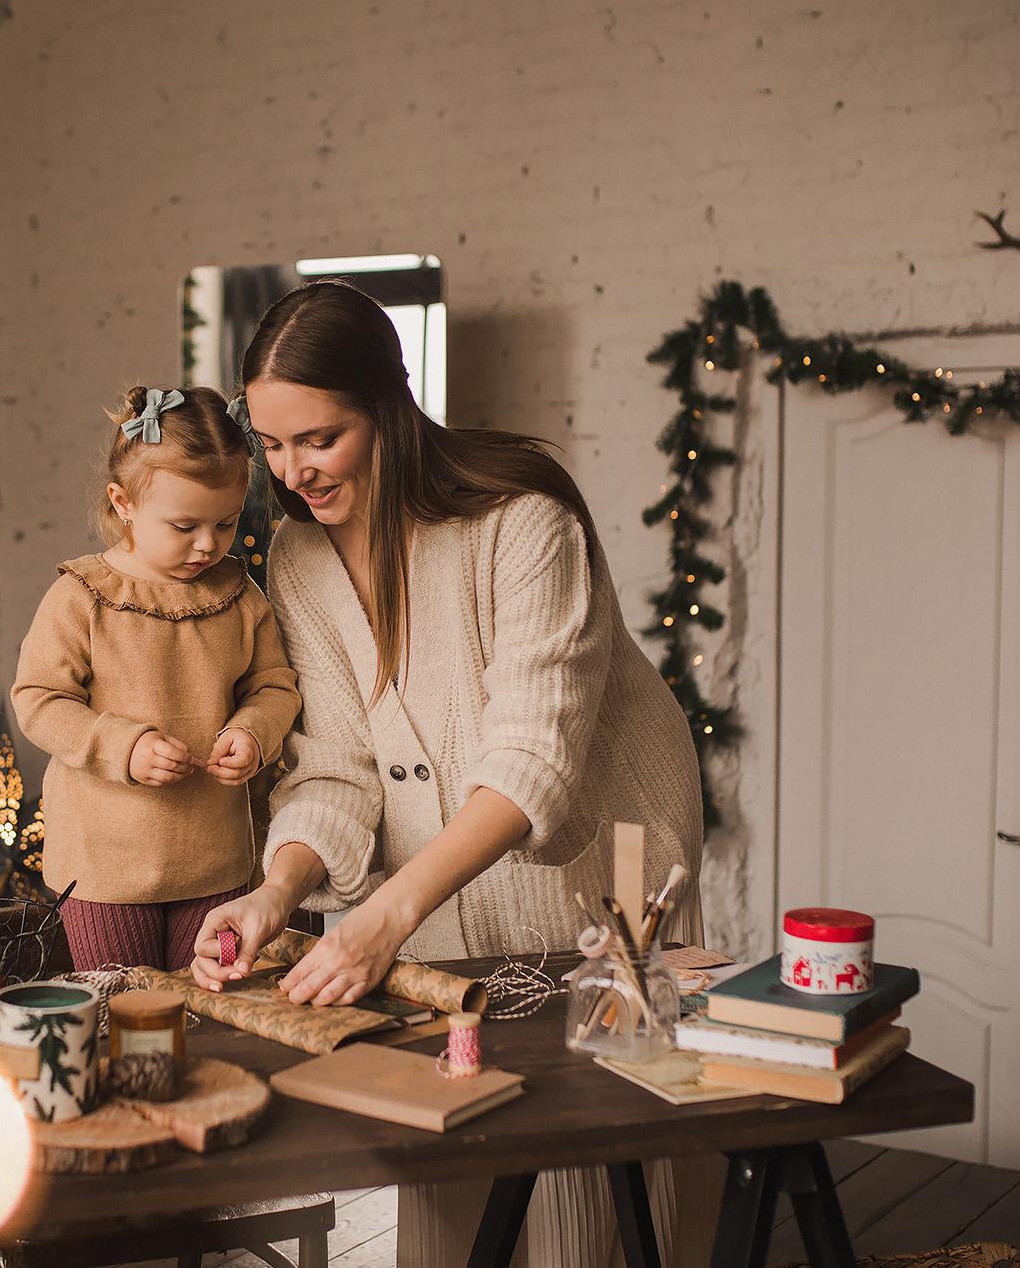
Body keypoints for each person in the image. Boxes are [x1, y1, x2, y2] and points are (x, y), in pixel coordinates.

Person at [189, 282, 715, 1268]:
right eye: (269, 442)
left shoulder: (524, 521)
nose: (290, 469)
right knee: (452, 1184)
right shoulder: (297, 558)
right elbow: (336, 764)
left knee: (583, 1211)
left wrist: (382, 917)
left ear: (387, 406)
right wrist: (276, 889)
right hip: (431, 909)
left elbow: (530, 763)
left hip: (594, 887)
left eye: (319, 437)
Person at [10, 385, 301, 971]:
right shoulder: (82, 597)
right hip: (103, 866)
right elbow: (39, 699)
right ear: (123, 503)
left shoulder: (239, 595)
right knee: (122, 1010)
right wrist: (125, 743)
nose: (208, 545)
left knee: (207, 1008)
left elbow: (275, 685)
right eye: (184, 525)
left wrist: (255, 732)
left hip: (214, 862)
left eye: (225, 524)